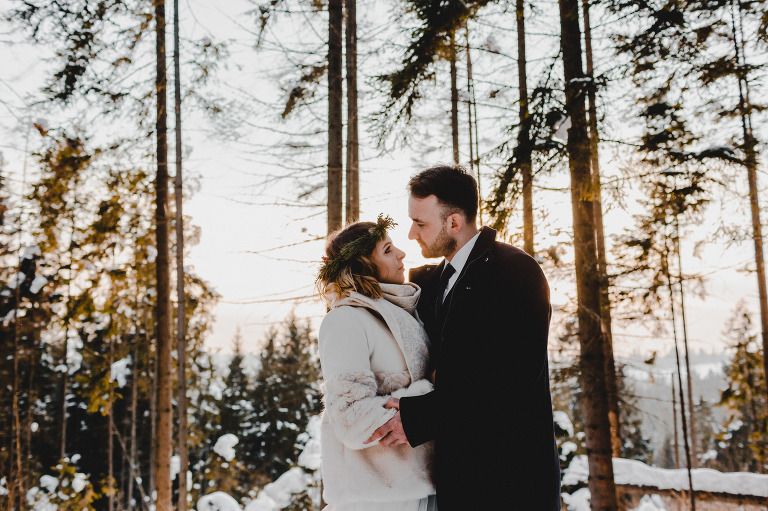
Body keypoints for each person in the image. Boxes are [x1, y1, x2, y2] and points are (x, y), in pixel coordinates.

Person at [365, 166, 561, 510]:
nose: (411, 234)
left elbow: (513, 380)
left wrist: (421, 417)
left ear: (454, 223)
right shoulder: (431, 282)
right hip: (456, 484)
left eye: (421, 224)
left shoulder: (514, 271)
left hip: (513, 484)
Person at [316, 216, 438, 511]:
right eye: (387, 250)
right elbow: (350, 418)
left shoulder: (404, 316)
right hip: (372, 501)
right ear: (363, 267)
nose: (401, 254)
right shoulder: (345, 320)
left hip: (420, 494)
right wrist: (429, 395)